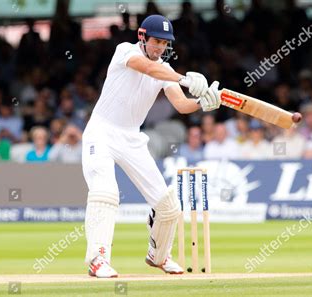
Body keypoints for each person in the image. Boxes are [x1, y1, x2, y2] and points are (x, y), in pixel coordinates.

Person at [81, 15, 221, 278]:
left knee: (168, 206)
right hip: (100, 133)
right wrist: (185, 79)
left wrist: (205, 102)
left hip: (132, 139)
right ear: (143, 37)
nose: (159, 48)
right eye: (156, 41)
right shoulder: (125, 51)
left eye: (165, 44)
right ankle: (98, 259)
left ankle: (158, 256)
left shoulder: (165, 70)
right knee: (105, 193)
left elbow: (181, 105)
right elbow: (147, 68)